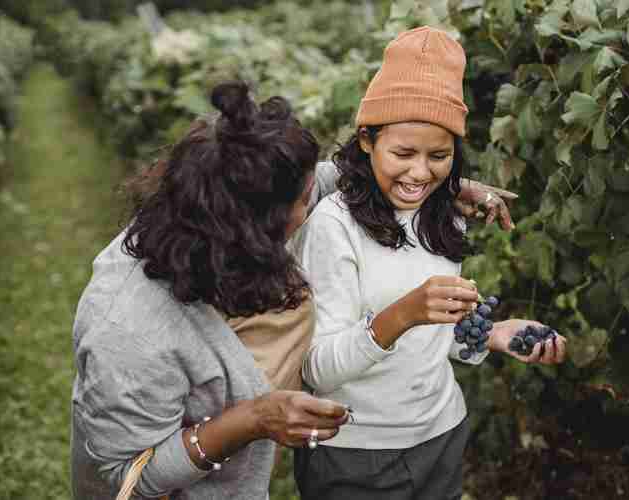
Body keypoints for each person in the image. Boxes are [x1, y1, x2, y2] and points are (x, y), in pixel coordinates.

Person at [70, 80, 518, 499]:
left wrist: (440, 185)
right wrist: (253, 419)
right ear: (253, 227)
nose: (319, 201)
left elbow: (326, 178)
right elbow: (129, 476)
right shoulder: (129, 331)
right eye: (306, 200)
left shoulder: (212, 213)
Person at [291, 26, 568, 500]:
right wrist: (404, 313)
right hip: (354, 453)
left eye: (439, 156)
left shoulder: (443, 217)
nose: (421, 172)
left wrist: (492, 335)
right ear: (365, 140)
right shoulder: (332, 228)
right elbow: (317, 369)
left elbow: (431, 339)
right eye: (403, 153)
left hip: (440, 435)